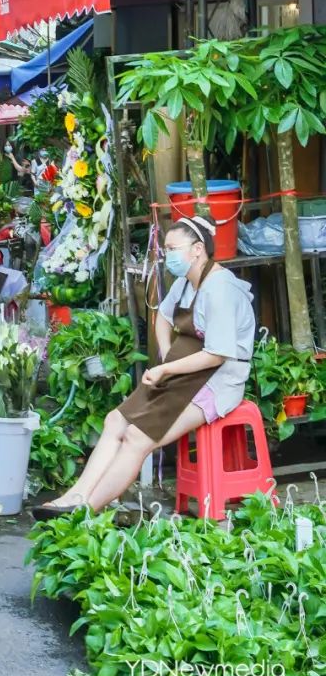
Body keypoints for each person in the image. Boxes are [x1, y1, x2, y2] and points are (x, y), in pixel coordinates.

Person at [38, 215, 254, 514]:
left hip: (217, 381)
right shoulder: (185, 283)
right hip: (183, 371)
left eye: (174, 249)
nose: (168, 256)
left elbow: (216, 354)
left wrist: (166, 369)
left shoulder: (220, 290)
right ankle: (75, 496)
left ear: (197, 249)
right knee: (116, 420)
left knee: (137, 437)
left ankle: (87, 509)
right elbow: (163, 316)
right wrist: (167, 354)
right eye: (166, 249)